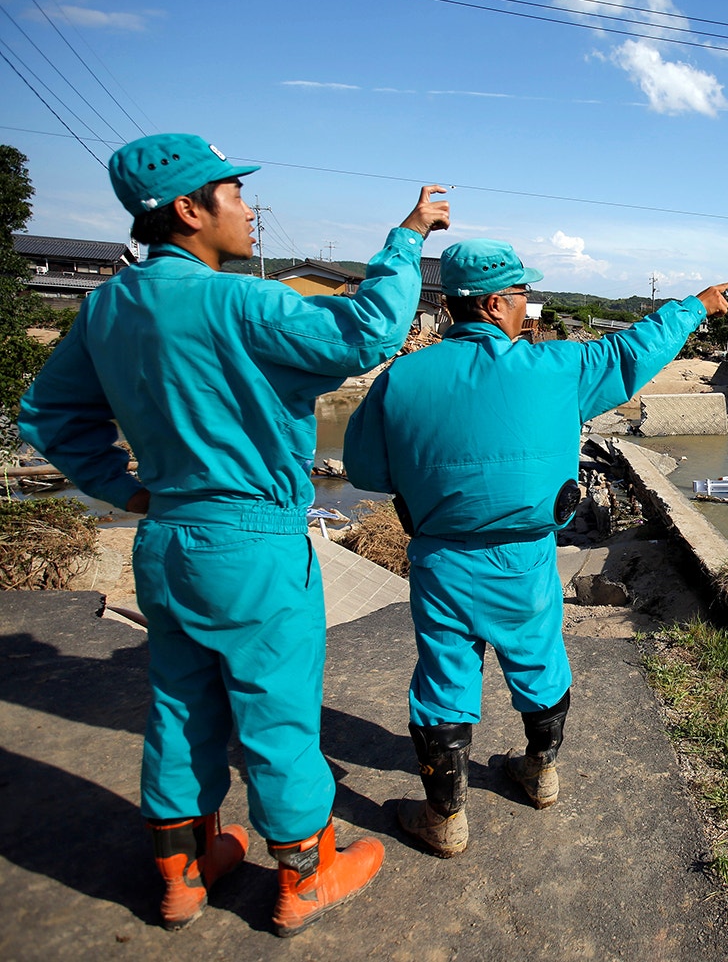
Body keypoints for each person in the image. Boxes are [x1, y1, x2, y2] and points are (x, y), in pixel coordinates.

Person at [17, 133, 450, 936]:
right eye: (235, 194)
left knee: (179, 706)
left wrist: (127, 492)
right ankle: (304, 878)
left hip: (167, 540)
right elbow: (368, 333)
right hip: (252, 545)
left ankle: (183, 876)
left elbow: (47, 418)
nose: (247, 209)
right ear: (190, 209)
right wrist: (408, 237)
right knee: (277, 714)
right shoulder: (242, 301)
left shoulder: (107, 304)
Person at [342, 239, 728, 857]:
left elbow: (364, 468)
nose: (531, 305)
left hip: (441, 559)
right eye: (524, 294)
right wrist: (695, 307)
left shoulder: (401, 377)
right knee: (539, 660)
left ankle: (446, 818)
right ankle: (540, 773)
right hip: (525, 555)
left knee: (444, 676)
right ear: (495, 303)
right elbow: (634, 349)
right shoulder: (559, 369)